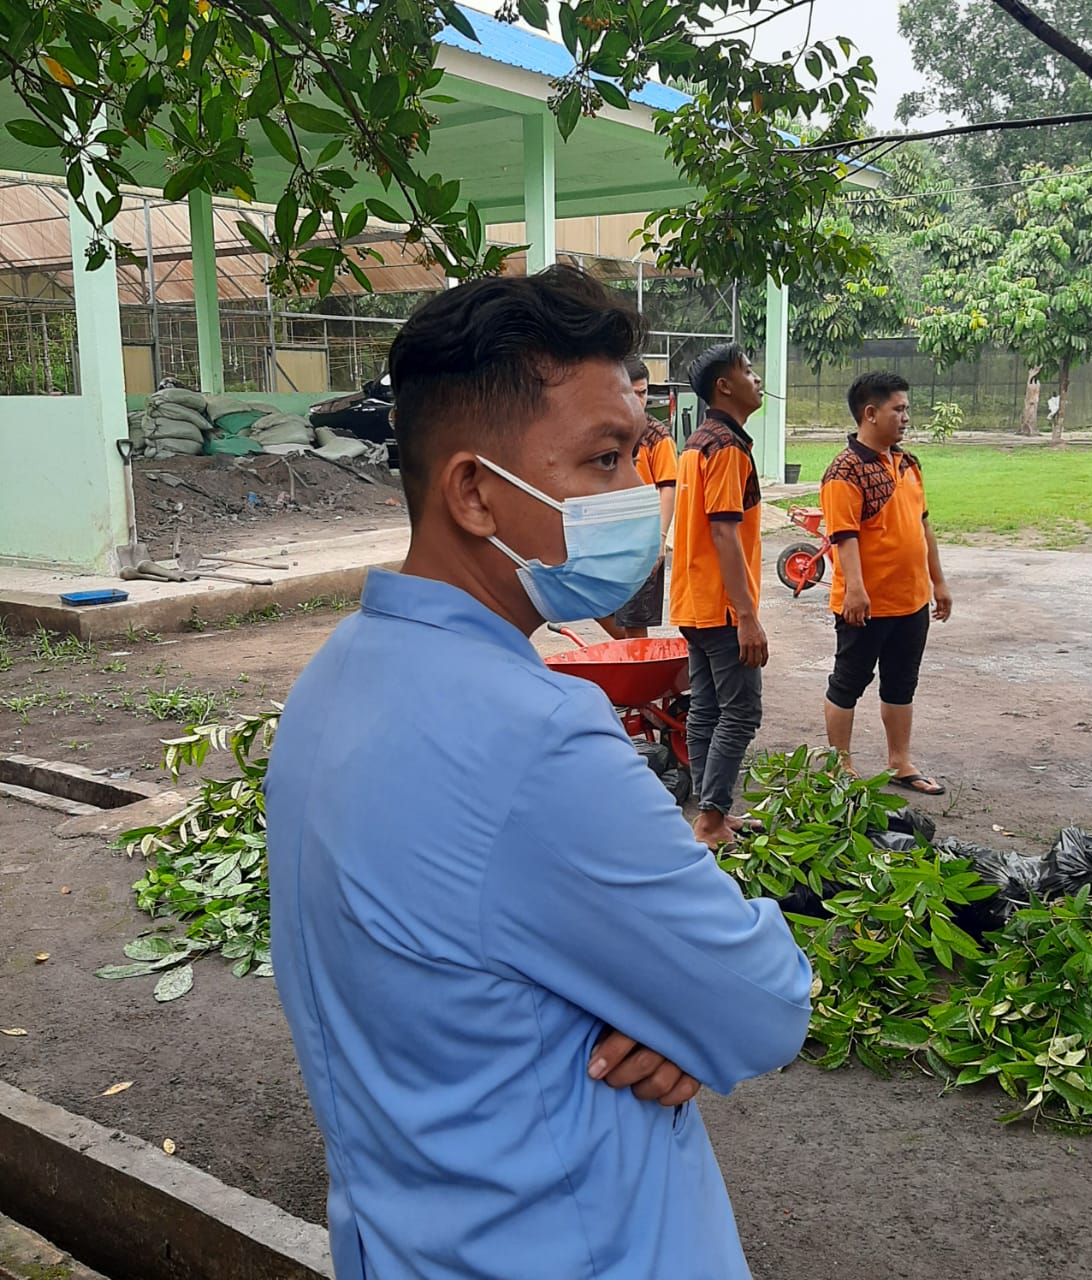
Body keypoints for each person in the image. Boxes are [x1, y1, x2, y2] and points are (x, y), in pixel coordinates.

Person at [264, 267, 812, 1280]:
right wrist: (677, 1001)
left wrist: (665, 998)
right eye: (603, 461)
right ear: (474, 490)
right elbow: (760, 1001)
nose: (636, 496)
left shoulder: (332, 681)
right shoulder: (535, 735)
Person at [819, 371, 952, 795]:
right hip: (866, 605)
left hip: (911, 601)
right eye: (899, 409)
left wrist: (939, 582)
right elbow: (844, 536)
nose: (906, 417)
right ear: (871, 414)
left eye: (907, 409)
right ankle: (841, 764)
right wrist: (855, 590)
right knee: (848, 682)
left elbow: (923, 526)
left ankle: (900, 763)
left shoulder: (909, 464)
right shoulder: (845, 470)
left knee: (901, 683)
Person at [669, 342, 768, 848]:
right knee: (741, 710)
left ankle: (710, 814)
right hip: (723, 607)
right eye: (748, 371)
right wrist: (747, 615)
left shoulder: (696, 442)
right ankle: (711, 817)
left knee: (707, 709)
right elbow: (724, 532)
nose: (757, 378)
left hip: (692, 601)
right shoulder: (726, 447)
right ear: (724, 387)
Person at [596, 357, 678, 638]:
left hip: (643, 540)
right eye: (631, 393)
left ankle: (639, 670)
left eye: (643, 393)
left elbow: (667, 487)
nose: (638, 400)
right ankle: (630, 658)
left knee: (635, 622)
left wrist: (660, 539)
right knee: (592, 601)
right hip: (609, 536)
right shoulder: (604, 433)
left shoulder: (657, 436)